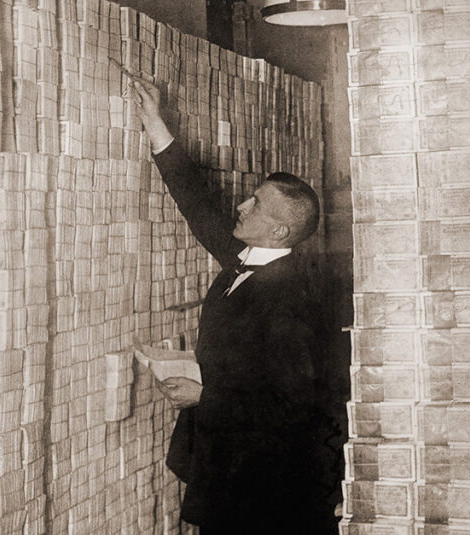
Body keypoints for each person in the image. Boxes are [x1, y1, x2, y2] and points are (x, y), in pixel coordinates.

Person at [128, 74, 340, 532]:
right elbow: (200, 208)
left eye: (257, 204)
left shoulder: (290, 299)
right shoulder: (249, 259)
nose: (242, 206)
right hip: (229, 467)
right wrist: (156, 125)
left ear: (280, 231)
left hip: (263, 486)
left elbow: (293, 406)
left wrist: (207, 396)